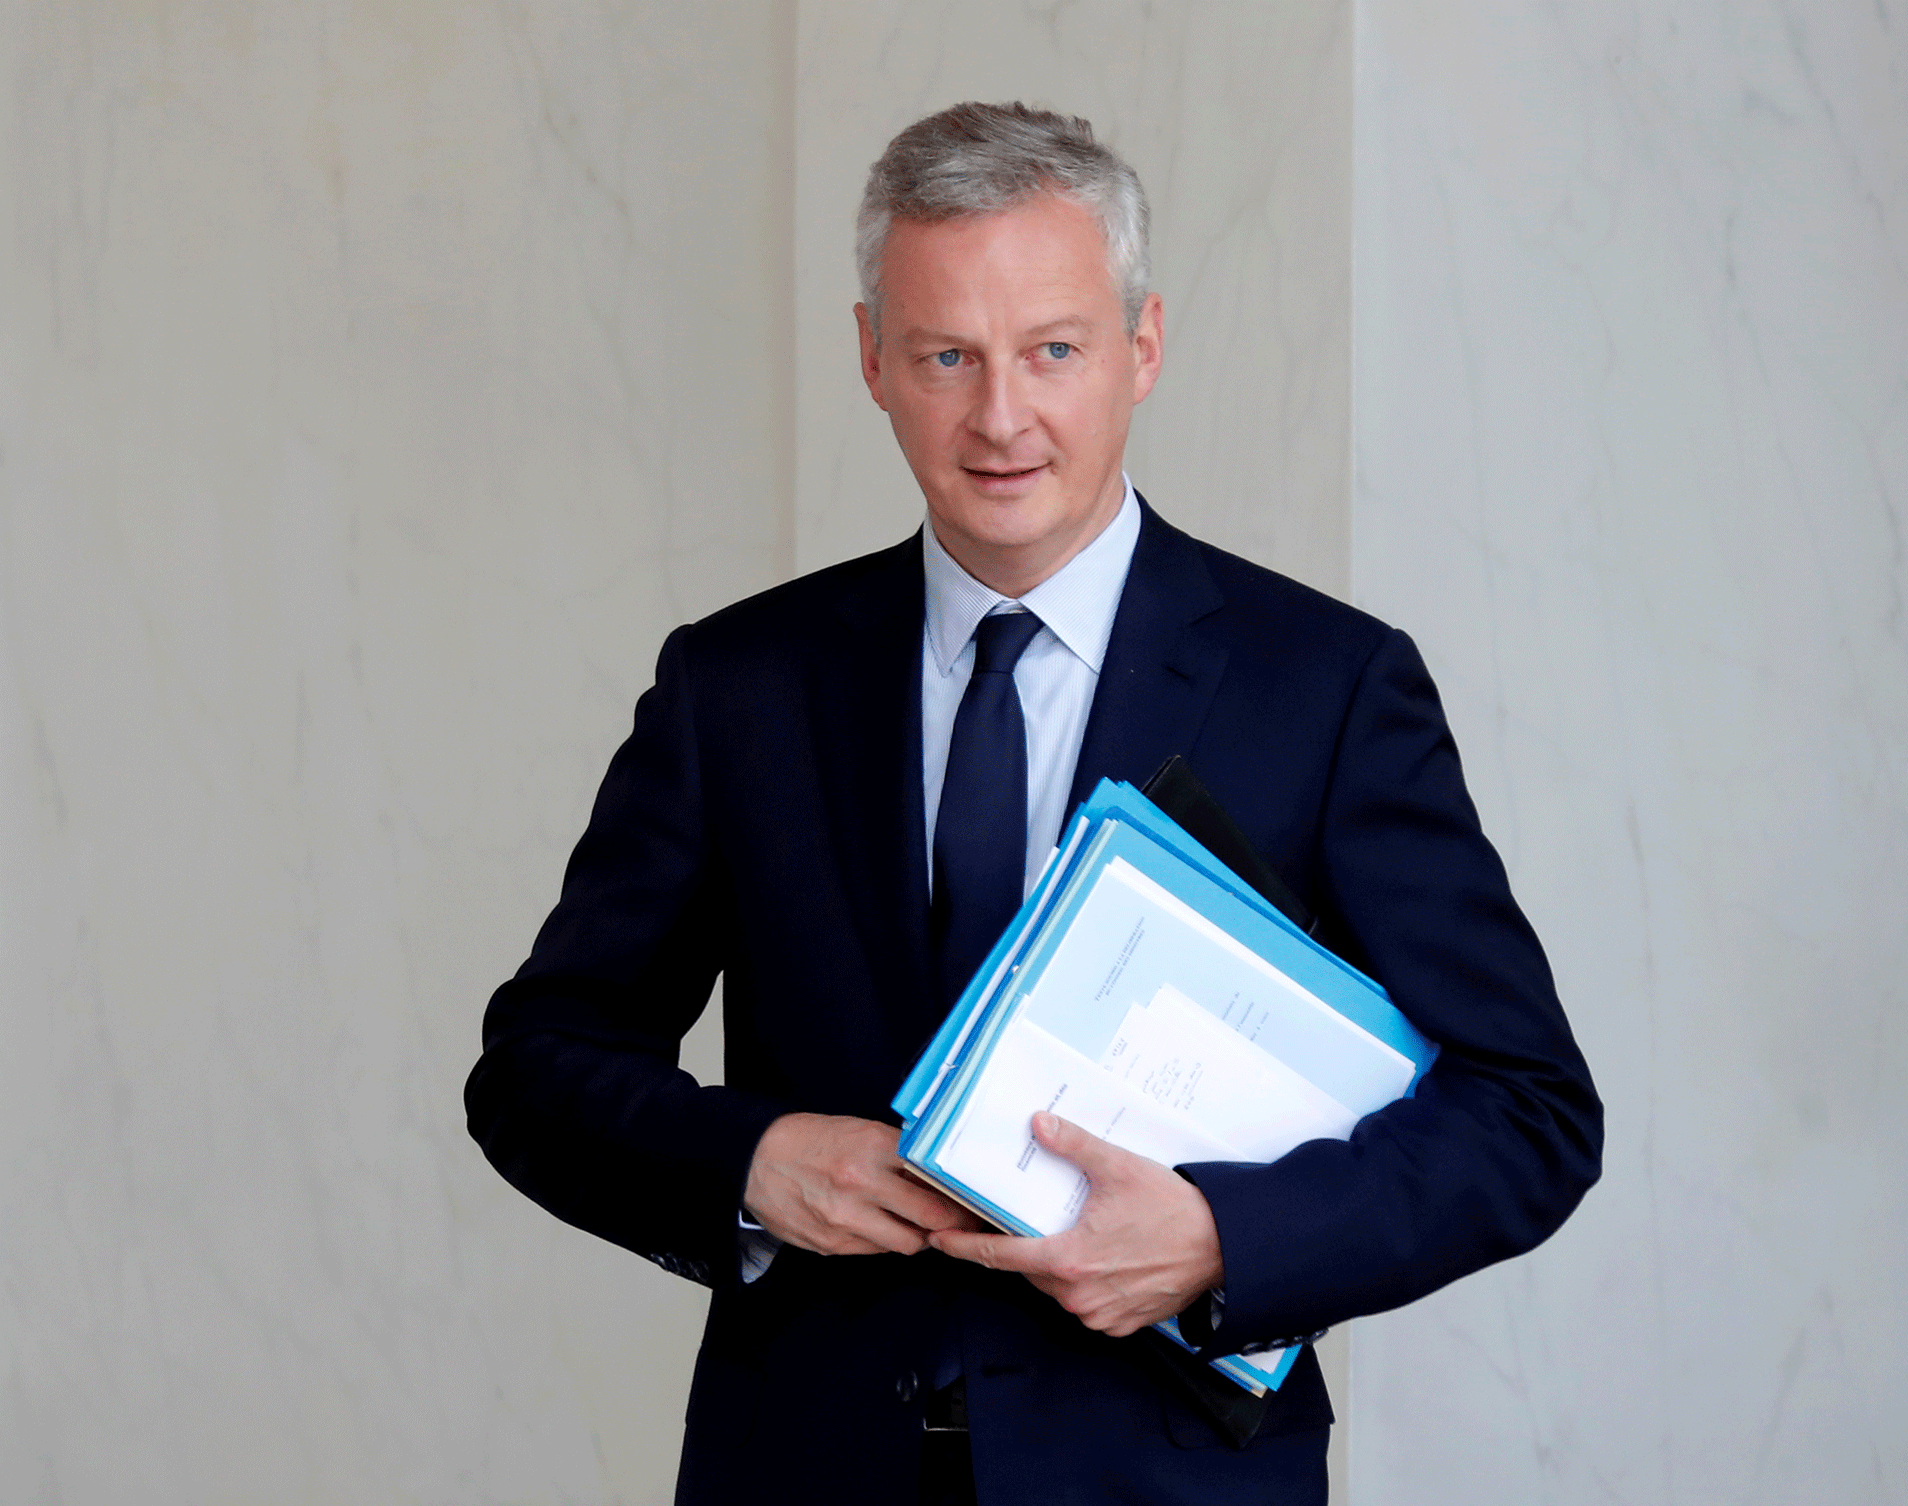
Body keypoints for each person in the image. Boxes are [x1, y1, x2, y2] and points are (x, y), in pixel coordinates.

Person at [466, 101, 1601, 1506]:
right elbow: (535, 1063)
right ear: (873, 359)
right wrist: (750, 1159)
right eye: (948, 355)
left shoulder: (1328, 687)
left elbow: (1532, 1110)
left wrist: (1223, 1240)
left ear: (1143, 347)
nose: (1000, 416)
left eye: (1052, 349)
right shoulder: (738, 686)